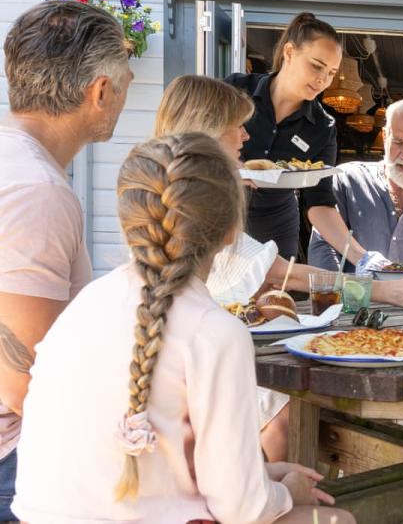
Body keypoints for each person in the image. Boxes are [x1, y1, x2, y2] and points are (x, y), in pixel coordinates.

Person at [12, 134, 355, 524]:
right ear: (231, 231)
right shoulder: (214, 332)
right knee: (335, 519)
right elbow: (243, 510)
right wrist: (287, 492)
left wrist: (264, 478)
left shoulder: (84, 307)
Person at [154, 75, 403, 462]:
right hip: (192, 370)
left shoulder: (170, 188)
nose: (244, 136)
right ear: (206, 133)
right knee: (293, 408)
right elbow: (283, 274)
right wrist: (380, 289)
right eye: (235, 127)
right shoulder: (197, 207)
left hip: (200, 358)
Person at [0, 0, 133, 519]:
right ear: (100, 91)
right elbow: (21, 381)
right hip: (15, 463)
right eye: (124, 85)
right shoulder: (37, 191)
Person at [224, 12, 367, 265]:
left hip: (275, 228)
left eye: (332, 72)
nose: (323, 80)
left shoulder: (324, 127)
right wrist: (225, 162)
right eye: (316, 65)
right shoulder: (235, 90)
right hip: (218, 213)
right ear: (289, 52)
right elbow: (193, 140)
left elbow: (320, 204)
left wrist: (363, 259)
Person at [307, 98, 403, 295]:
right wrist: (342, 298)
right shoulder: (346, 180)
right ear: (384, 138)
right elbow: (323, 250)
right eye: (398, 142)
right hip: (350, 312)